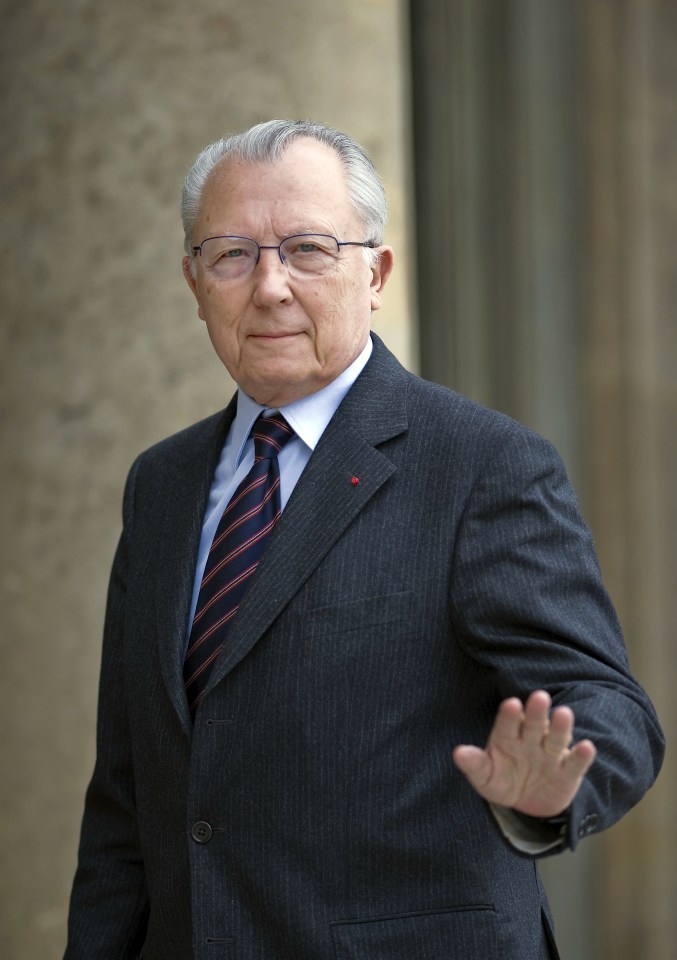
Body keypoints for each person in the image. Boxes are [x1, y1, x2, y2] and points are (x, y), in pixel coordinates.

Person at [64, 119, 664, 960]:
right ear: (194, 281)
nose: (269, 286)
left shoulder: (482, 465)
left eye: (308, 249)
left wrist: (550, 787)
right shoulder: (160, 486)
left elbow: (609, 709)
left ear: (374, 273)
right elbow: (127, 798)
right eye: (232, 254)